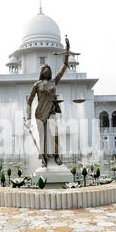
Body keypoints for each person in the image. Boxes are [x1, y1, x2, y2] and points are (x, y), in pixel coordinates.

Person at [25, 36, 71, 167]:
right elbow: (29, 101)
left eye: (48, 69)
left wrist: (67, 51)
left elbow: (64, 66)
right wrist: (28, 118)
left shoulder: (53, 82)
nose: (46, 70)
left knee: (54, 133)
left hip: (51, 111)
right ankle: (43, 159)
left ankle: (56, 155)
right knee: (42, 136)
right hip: (39, 113)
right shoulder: (37, 84)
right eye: (44, 69)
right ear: (41, 72)